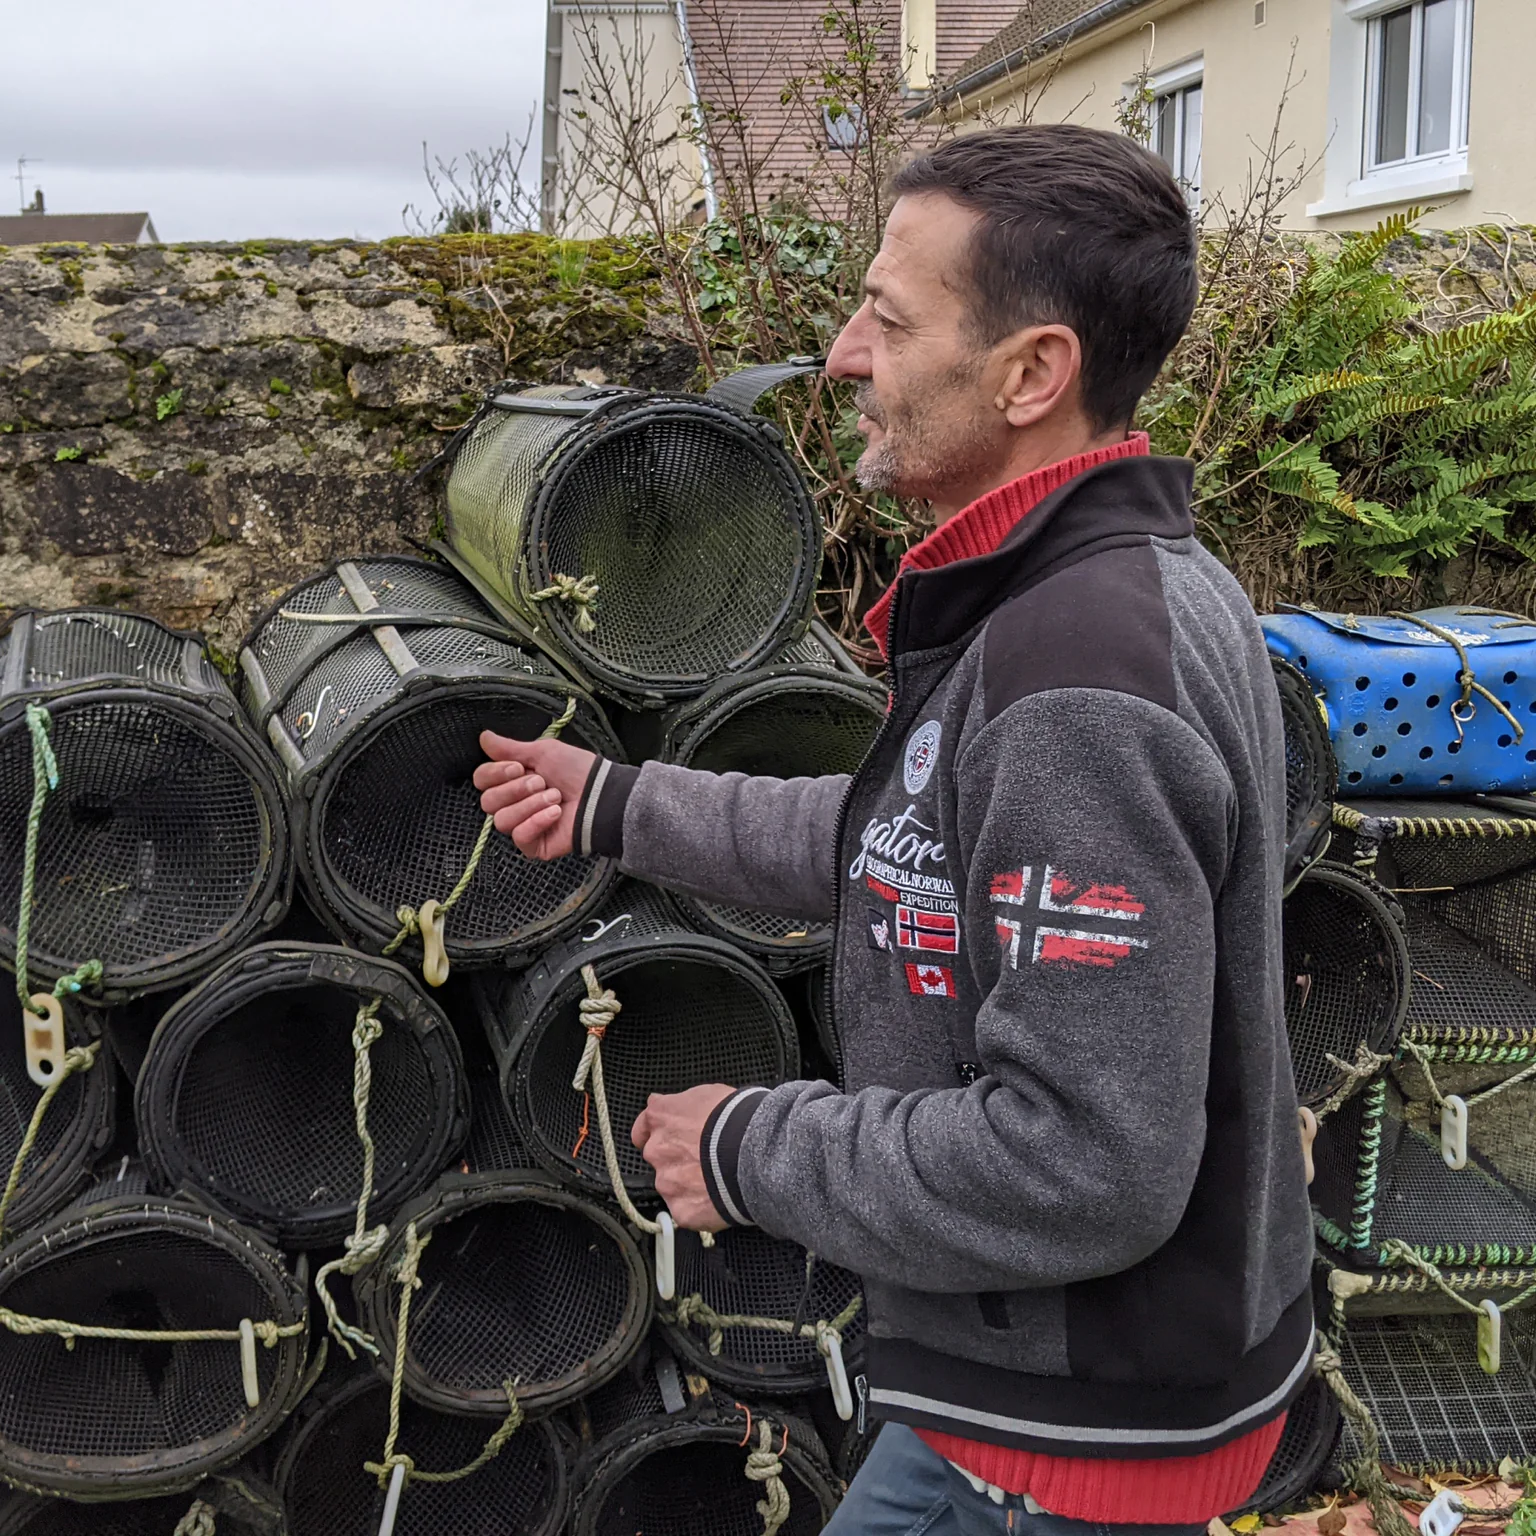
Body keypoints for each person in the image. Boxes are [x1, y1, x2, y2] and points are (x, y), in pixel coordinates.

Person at [474, 123, 1314, 1536]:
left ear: (1031, 372)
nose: (846, 357)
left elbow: (1085, 1162)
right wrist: (615, 801)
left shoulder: (1078, 684)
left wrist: (751, 1149)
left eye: (888, 316)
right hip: (1020, 1389)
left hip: (1077, 1436)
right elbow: (908, 844)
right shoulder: (1089, 596)